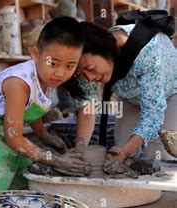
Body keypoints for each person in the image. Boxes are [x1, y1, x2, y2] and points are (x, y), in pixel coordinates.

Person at [0, 17, 90, 192]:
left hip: (9, 130)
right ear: (35, 53)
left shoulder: (47, 78)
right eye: (53, 63)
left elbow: (28, 110)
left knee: (26, 175)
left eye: (70, 66)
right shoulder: (18, 84)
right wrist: (57, 160)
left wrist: (44, 135)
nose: (60, 73)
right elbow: (14, 138)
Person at [74, 21, 177, 166]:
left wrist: (125, 152)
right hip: (131, 96)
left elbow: (153, 113)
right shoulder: (84, 58)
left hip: (169, 92)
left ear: (106, 52)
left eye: (90, 68)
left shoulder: (147, 51)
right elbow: (87, 107)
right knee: (120, 150)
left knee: (157, 157)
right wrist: (80, 145)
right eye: (81, 73)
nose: (89, 77)